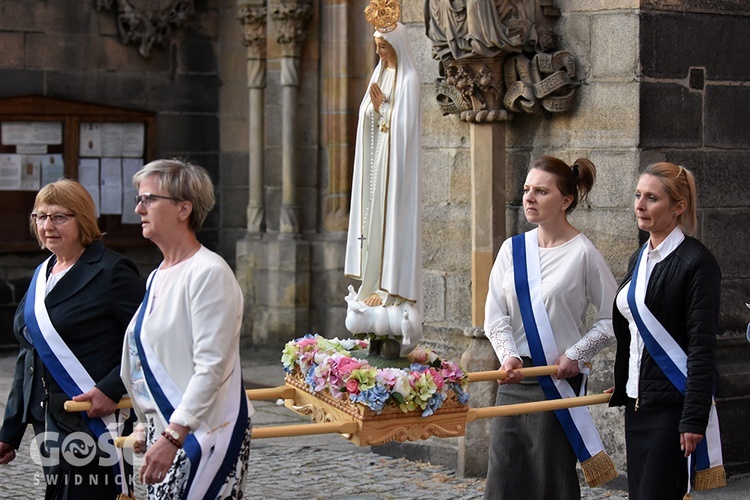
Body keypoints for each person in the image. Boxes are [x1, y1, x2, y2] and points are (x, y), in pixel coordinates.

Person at [483, 155, 618, 499]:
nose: (529, 197)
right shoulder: (511, 250)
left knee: (549, 479)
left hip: (558, 382)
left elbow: (613, 318)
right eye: (527, 189)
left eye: (541, 191)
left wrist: (576, 354)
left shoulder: (584, 253)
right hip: (514, 379)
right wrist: (508, 356)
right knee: (504, 473)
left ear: (566, 200)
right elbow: (495, 314)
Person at [0, 179, 144, 499]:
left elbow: (144, 342)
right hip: (46, 418)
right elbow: (30, 353)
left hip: (92, 417)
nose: (47, 225)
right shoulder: (43, 273)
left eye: (59, 217)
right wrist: (10, 430)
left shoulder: (112, 271)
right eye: (40, 217)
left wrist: (111, 387)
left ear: (83, 219)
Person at [120, 159, 253, 499]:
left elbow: (211, 366)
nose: (138, 208)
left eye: (149, 198)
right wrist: (144, 422)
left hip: (203, 433)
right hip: (167, 429)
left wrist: (173, 434)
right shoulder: (158, 273)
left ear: (183, 209)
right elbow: (148, 359)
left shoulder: (209, 272)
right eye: (139, 199)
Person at [609, 162, 725, 499]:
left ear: (679, 207)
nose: (640, 205)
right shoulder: (638, 258)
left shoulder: (697, 262)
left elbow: (703, 347)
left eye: (652, 198)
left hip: (673, 407)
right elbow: (635, 332)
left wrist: (693, 419)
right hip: (638, 404)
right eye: (637, 195)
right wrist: (626, 377)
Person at [344, 17, 423, 356]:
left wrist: (385, 109)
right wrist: (374, 111)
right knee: (373, 225)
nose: (380, 52)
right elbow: (366, 116)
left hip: (397, 173)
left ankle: (391, 290)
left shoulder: (409, 79)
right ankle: (373, 283)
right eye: (377, 47)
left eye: (384, 47)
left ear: (397, 47)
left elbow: (405, 127)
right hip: (377, 166)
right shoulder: (379, 74)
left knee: (392, 228)